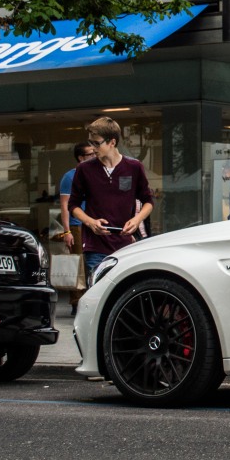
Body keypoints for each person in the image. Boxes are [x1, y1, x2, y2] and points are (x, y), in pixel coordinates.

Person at [68, 116, 154, 288]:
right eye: (90, 142)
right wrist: (90, 222)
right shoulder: (84, 169)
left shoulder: (134, 167)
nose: (93, 148)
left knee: (125, 292)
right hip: (95, 246)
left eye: (97, 143)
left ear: (112, 142)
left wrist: (136, 221)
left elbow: (148, 201)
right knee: (98, 294)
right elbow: (73, 205)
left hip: (125, 245)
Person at [57, 141, 96, 314]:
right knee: (78, 264)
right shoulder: (70, 177)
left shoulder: (96, 173)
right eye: (90, 154)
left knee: (94, 262)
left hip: (94, 224)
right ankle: (76, 302)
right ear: (81, 158)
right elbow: (65, 206)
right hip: (77, 225)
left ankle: (93, 298)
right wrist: (66, 231)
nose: (94, 156)